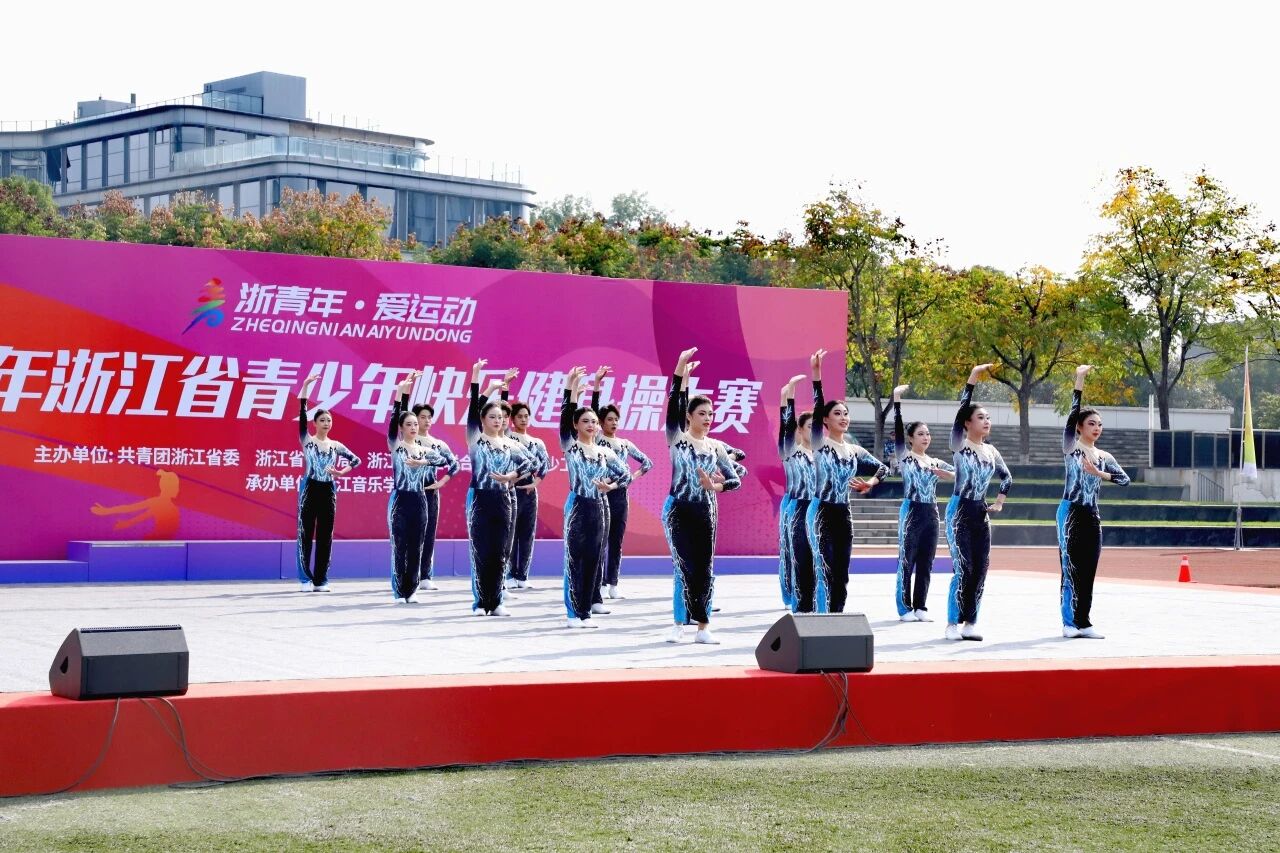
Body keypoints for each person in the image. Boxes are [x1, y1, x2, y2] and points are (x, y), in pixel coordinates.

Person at [662, 348, 741, 645]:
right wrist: (680, 368)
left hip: (705, 511)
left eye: (710, 414)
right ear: (689, 416)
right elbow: (674, 403)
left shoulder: (716, 447)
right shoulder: (677, 439)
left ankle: (703, 627)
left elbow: (734, 480)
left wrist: (715, 487)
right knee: (684, 566)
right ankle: (678, 624)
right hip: (678, 510)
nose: (707, 419)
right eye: (702, 414)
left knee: (704, 569)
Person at [806, 349, 889, 614]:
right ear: (826, 420)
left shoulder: (855, 451)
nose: (843, 418)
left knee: (842, 571)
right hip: (821, 510)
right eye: (837, 414)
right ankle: (820, 616)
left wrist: (871, 483)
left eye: (846, 413)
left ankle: (837, 616)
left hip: (844, 513)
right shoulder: (820, 443)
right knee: (825, 567)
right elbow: (818, 405)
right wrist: (817, 374)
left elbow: (884, 468)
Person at [1059, 364, 1130, 639]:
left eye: (1100, 424)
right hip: (1070, 512)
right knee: (1070, 568)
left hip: (1092, 514)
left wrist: (1100, 474)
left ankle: (1084, 622)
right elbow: (1072, 412)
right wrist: (1079, 378)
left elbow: (1124, 480)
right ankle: (1069, 623)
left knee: (1089, 569)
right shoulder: (1071, 447)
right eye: (1091, 423)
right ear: (1079, 427)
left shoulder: (1104, 456)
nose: (1097, 428)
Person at [559, 366, 632, 628]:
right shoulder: (571, 445)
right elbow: (566, 415)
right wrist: (570, 385)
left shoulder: (605, 452)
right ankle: (573, 614)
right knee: (575, 560)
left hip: (600, 507)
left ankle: (587, 611)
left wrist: (610, 486)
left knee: (593, 558)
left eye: (593, 421)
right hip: (578, 505)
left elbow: (626, 475)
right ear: (576, 425)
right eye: (585, 421)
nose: (591, 425)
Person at [945, 364, 1013, 641]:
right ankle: (952, 623)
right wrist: (973, 377)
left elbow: (1007, 477)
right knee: (964, 567)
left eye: (988, 418)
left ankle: (971, 622)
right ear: (967, 423)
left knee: (981, 568)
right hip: (959, 509)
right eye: (980, 417)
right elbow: (962, 407)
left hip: (980, 512)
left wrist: (999, 503)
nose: (986, 421)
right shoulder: (959, 444)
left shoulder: (991, 450)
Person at [465, 360, 536, 616]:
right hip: (480, 498)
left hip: (504, 499)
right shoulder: (476, 438)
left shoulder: (510, 444)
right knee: (481, 551)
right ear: (483, 420)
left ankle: (496, 602)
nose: (498, 421)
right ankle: (480, 603)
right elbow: (473, 409)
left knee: (499, 552)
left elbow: (530, 463)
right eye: (492, 417)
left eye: (501, 417)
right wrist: (482, 382)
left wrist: (511, 476)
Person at [589, 365, 654, 600]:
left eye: (616, 419)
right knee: (600, 540)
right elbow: (592, 411)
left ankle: (613, 583)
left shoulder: (625, 444)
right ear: (601, 423)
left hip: (619, 496)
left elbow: (647, 463)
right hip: (599, 494)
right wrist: (597, 385)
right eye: (609, 419)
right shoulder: (596, 439)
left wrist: (629, 479)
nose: (614, 423)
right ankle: (597, 583)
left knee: (615, 540)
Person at [891, 384, 955, 622]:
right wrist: (897, 401)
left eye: (928, 434)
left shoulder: (935, 461)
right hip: (912, 511)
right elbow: (898, 431)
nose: (926, 437)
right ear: (910, 438)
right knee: (907, 561)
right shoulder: (905, 457)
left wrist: (945, 474)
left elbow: (959, 474)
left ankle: (921, 607)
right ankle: (904, 608)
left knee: (926, 562)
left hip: (931, 513)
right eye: (920, 434)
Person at [294, 374, 360, 592]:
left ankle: (321, 580)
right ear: (314, 423)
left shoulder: (336, 445)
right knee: (305, 533)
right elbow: (302, 412)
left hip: (328, 490)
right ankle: (305, 579)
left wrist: (341, 472)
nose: (326, 423)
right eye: (322, 420)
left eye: (329, 420)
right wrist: (306, 386)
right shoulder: (307, 441)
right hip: (310, 487)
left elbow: (356, 460)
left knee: (325, 535)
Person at [387, 372, 447, 603]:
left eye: (416, 423)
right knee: (400, 547)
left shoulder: (428, 449)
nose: (414, 426)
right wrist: (400, 393)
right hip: (401, 499)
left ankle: (412, 589)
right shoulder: (396, 445)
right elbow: (396, 418)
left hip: (422, 499)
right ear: (402, 428)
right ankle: (399, 591)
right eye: (410, 423)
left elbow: (448, 462)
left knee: (417, 545)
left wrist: (439, 477)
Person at [408, 400, 460, 592]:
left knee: (428, 535)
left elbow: (454, 464)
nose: (427, 421)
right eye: (422, 417)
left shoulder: (438, 444)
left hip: (430, 493)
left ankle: (425, 576)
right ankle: (408, 575)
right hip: (409, 492)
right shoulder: (407, 442)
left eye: (429, 417)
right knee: (409, 535)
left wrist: (442, 481)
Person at [502, 393, 551, 590]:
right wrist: (505, 390)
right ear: (512, 420)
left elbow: (545, 464)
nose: (523, 419)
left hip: (529, 492)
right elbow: (501, 410)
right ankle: (508, 575)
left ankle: (523, 575)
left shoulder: (537, 442)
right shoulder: (506, 437)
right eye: (519, 416)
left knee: (527, 533)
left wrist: (535, 483)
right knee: (510, 533)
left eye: (526, 416)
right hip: (510, 489)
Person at [777, 372, 813, 611]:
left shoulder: (822, 453)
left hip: (816, 505)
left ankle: (811, 594)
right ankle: (791, 595)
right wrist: (789, 396)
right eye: (810, 426)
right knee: (791, 552)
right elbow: (786, 425)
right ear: (799, 430)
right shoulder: (791, 450)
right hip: (795, 504)